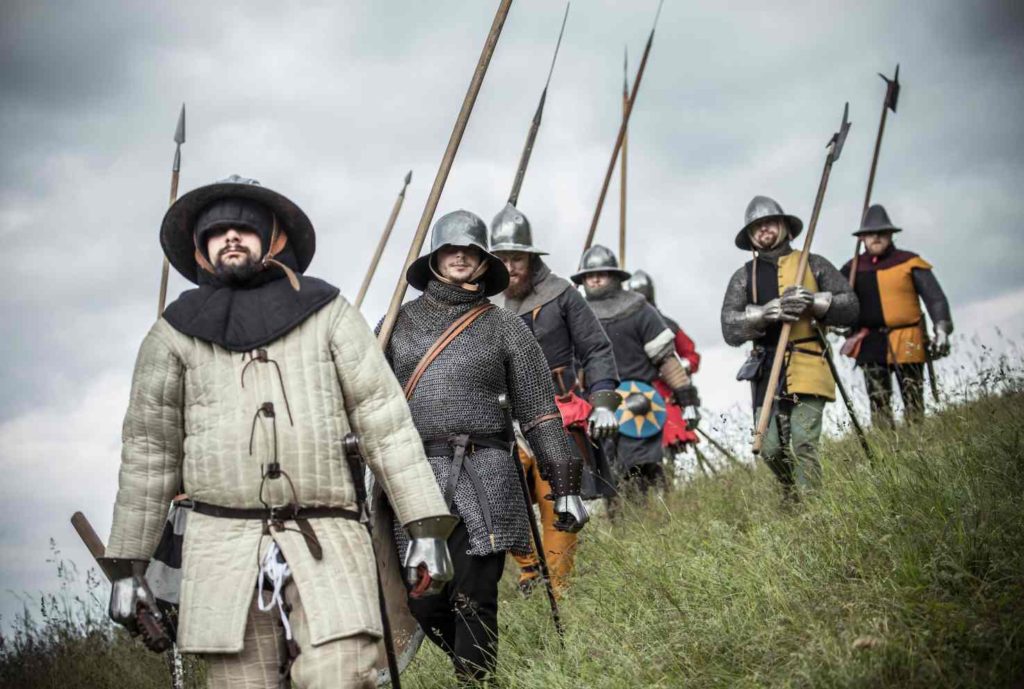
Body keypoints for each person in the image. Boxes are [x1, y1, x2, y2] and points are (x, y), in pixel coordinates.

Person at [102, 175, 455, 689]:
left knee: (343, 676)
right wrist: (127, 567)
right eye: (216, 231)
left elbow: (386, 421)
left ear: (273, 239)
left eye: (243, 229)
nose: (230, 238)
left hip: (327, 536)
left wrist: (425, 527)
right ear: (200, 248)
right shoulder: (172, 334)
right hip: (220, 550)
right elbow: (149, 455)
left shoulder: (329, 314)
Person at [383, 209, 588, 683]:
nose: (460, 256)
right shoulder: (397, 321)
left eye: (470, 250)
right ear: (435, 256)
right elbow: (371, 402)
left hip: (486, 474)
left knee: (475, 598)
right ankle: (467, 664)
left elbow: (539, 412)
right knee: (423, 598)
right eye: (451, 248)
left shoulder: (506, 327)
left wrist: (565, 486)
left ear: (481, 261)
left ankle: (476, 680)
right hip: (416, 477)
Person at [490, 203, 619, 596]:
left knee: (556, 496)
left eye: (517, 258)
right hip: (502, 416)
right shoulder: (482, 305)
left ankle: (559, 589)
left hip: (556, 412)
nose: (510, 267)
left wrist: (603, 401)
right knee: (496, 486)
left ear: (532, 258)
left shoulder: (562, 295)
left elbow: (596, 349)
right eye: (502, 259)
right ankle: (530, 569)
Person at [721, 196, 858, 495]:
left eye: (769, 223)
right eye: (756, 228)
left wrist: (815, 301)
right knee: (769, 448)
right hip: (766, 367)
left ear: (784, 226)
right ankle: (791, 491)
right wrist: (763, 313)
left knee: (804, 440)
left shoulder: (813, 263)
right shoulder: (745, 276)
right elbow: (729, 326)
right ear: (751, 237)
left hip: (808, 359)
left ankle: (813, 505)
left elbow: (850, 306)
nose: (763, 230)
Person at [574, 245, 698, 496]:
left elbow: (667, 360)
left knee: (643, 472)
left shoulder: (640, 309)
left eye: (602, 274)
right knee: (608, 476)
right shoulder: (575, 314)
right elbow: (570, 367)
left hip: (639, 403)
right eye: (589, 275)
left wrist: (686, 397)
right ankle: (624, 530)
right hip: (598, 405)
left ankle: (657, 525)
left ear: (615, 277)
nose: (595, 279)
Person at [841, 204, 953, 426]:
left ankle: (918, 447)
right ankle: (887, 453)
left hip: (908, 338)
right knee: (878, 403)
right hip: (870, 341)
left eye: (881, 232)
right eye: (871, 233)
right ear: (862, 238)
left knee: (914, 401)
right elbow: (839, 301)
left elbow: (935, 298)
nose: (876, 237)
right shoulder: (851, 269)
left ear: (890, 234)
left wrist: (941, 329)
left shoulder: (909, 262)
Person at [627, 269, 702, 477]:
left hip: (664, 395)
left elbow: (691, 355)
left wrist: (679, 368)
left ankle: (667, 489)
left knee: (665, 448)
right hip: (632, 393)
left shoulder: (666, 325)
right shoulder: (623, 323)